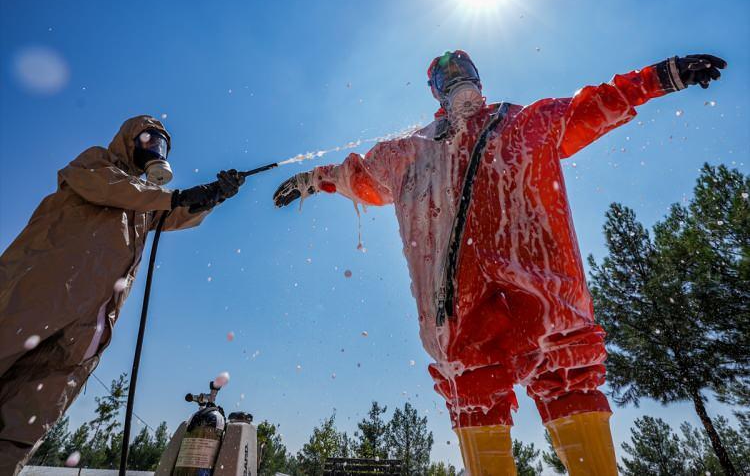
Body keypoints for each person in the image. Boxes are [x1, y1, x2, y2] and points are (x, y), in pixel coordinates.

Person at [273, 52, 726, 475]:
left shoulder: (523, 122)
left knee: (566, 375)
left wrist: (661, 77)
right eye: (444, 76)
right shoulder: (410, 152)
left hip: (543, 295)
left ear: (478, 79)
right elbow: (362, 179)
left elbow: (591, 108)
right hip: (457, 309)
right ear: (434, 91)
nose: (456, 81)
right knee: (472, 390)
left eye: (462, 70)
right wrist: (313, 179)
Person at [0, 115, 245, 475]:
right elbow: (112, 189)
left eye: (160, 146)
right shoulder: (96, 164)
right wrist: (173, 196)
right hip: (37, 296)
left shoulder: (144, 206)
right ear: (129, 140)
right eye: (148, 140)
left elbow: (172, 213)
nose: (153, 150)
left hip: (86, 330)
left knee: (27, 418)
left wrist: (213, 195)